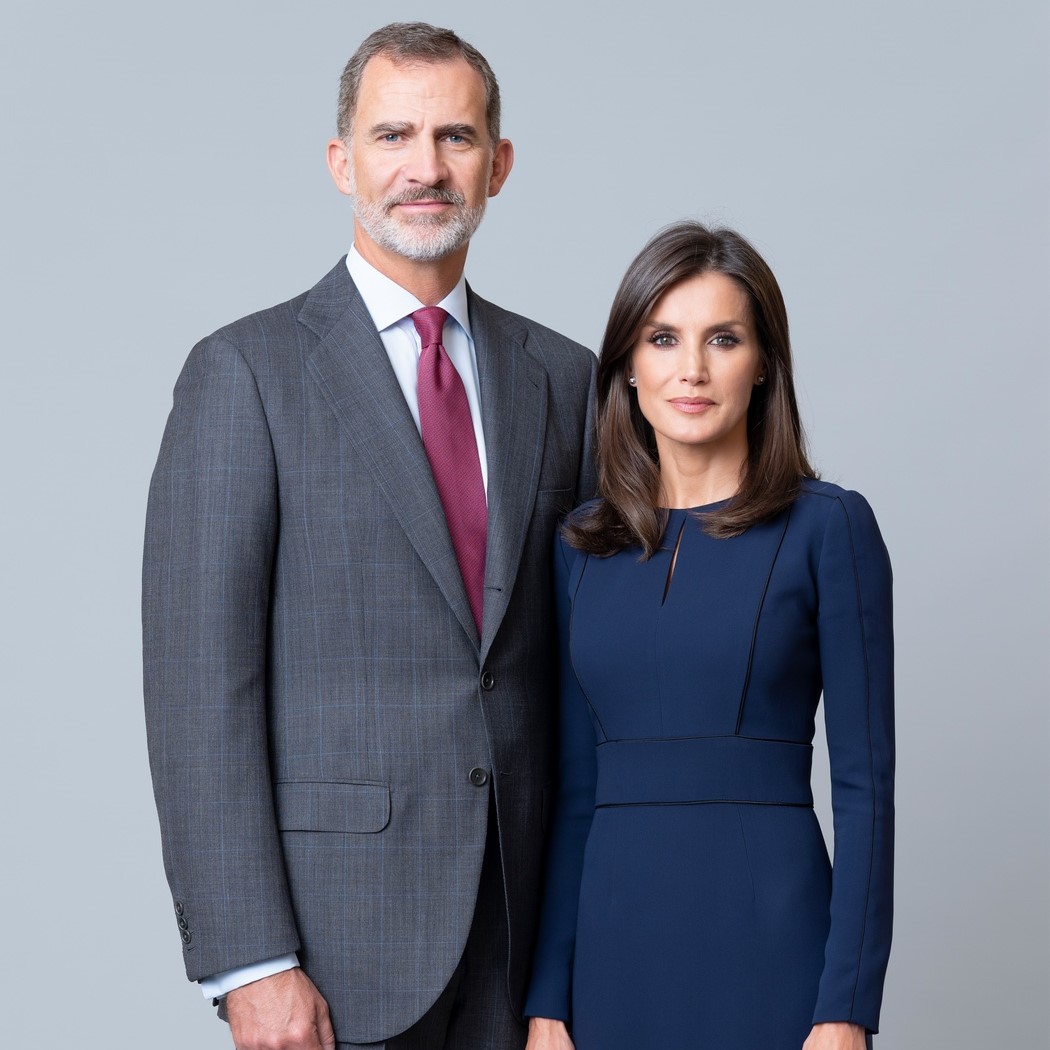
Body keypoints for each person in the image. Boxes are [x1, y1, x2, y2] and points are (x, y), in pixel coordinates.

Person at [142, 22, 595, 1050]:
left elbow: (584, 668)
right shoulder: (245, 374)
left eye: (455, 137)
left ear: (499, 166)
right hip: (336, 948)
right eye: (393, 136)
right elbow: (199, 689)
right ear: (342, 161)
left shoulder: (565, 380)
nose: (425, 167)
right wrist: (252, 962)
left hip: (526, 945)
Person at [523, 222, 893, 1050]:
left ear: (762, 364)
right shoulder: (580, 545)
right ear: (628, 364)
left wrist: (846, 1007)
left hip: (774, 948)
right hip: (610, 958)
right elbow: (575, 791)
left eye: (723, 339)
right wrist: (548, 998)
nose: (691, 368)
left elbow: (866, 791)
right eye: (663, 339)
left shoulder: (828, 528)